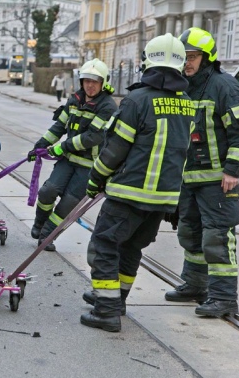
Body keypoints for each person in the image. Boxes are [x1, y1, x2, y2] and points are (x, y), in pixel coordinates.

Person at [81, 34, 194, 332]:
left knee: (105, 245)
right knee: (131, 250)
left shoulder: (137, 100)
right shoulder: (187, 105)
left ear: (148, 61)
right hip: (163, 198)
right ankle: (117, 301)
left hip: (128, 194)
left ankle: (106, 310)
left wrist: (95, 179)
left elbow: (115, 150)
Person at [163, 27, 239, 318]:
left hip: (218, 181)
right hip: (189, 179)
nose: (187, 62)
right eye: (183, 57)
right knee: (190, 233)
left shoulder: (224, 86)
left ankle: (224, 298)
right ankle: (194, 285)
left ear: (207, 57)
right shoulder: (181, 87)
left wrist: (233, 170)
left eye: (192, 56)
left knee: (217, 238)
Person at [28, 59, 117, 252]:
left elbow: (92, 136)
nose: (90, 85)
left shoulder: (108, 107)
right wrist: (41, 145)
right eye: (86, 81)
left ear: (103, 83)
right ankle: (39, 223)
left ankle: (47, 236)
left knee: (68, 204)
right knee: (48, 190)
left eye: (95, 81)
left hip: (89, 166)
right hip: (68, 160)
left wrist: (62, 147)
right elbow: (59, 126)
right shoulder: (74, 100)